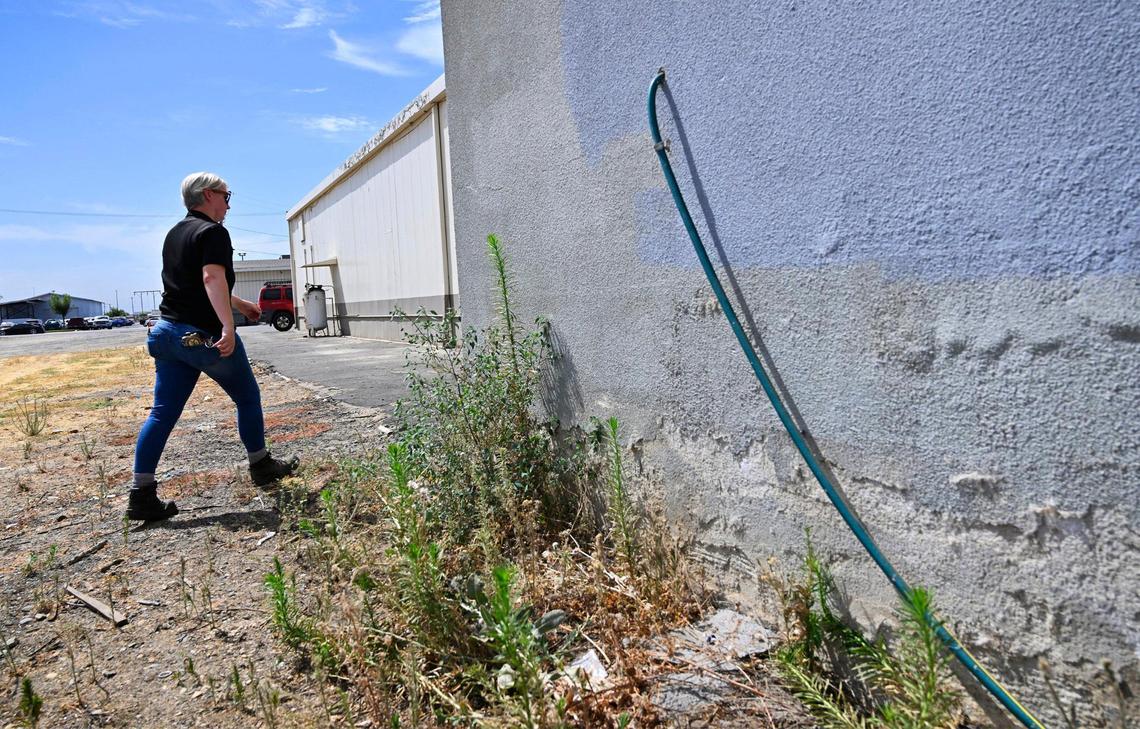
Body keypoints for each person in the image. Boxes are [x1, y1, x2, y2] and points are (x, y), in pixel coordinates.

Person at [127, 172, 298, 521]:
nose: (229, 204)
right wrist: (228, 325)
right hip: (200, 337)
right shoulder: (214, 232)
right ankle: (261, 466)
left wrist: (239, 304)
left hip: (166, 333)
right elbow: (210, 278)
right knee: (247, 398)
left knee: (162, 413)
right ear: (208, 195)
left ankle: (140, 494)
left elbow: (194, 285)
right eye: (226, 196)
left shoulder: (175, 233)